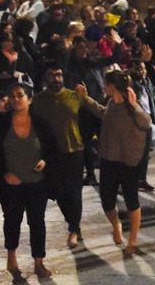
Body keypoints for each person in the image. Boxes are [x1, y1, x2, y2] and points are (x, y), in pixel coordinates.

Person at [28, 65, 102, 249]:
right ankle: (73, 224)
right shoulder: (37, 101)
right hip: (51, 155)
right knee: (59, 194)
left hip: (75, 151)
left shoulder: (74, 96)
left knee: (74, 193)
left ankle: (73, 229)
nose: (56, 78)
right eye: (51, 75)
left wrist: (86, 98)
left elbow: (97, 114)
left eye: (59, 74)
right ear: (45, 78)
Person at [0, 83, 56, 281]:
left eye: (20, 95)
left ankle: (38, 262)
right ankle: (12, 259)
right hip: (10, 183)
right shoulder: (1, 123)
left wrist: (45, 160)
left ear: (30, 99)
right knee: (12, 220)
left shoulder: (41, 123)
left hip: (37, 182)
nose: (16, 99)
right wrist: (5, 173)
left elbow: (52, 149)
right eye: (12, 96)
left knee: (37, 222)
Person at [97, 70, 152, 258]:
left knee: (131, 200)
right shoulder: (111, 103)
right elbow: (103, 114)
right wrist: (85, 99)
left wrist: (135, 105)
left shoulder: (131, 105)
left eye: (105, 84)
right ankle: (116, 225)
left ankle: (133, 241)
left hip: (129, 161)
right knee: (106, 200)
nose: (103, 87)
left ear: (112, 86)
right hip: (108, 158)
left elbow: (146, 123)